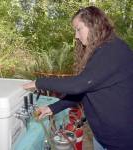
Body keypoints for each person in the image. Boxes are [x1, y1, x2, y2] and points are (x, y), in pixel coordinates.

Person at [23, 6, 133, 150]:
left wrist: (38, 82)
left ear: (94, 24)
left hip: (121, 140)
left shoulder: (113, 50)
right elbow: (85, 91)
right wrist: (53, 108)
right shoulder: (101, 50)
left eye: (78, 29)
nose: (76, 36)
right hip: (103, 137)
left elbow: (78, 85)